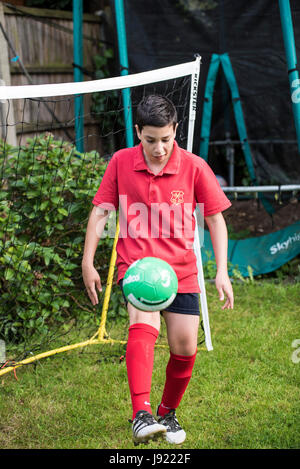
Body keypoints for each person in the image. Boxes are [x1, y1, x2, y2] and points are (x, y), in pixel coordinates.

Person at [82, 95, 234, 446]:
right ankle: (141, 414)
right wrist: (88, 261)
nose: (159, 148)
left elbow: (215, 219)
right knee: (143, 325)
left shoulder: (194, 166)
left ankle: (166, 412)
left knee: (184, 350)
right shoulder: (121, 162)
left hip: (181, 271)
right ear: (138, 132)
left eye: (165, 139)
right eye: (150, 140)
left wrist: (221, 271)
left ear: (175, 131)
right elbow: (101, 211)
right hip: (138, 268)